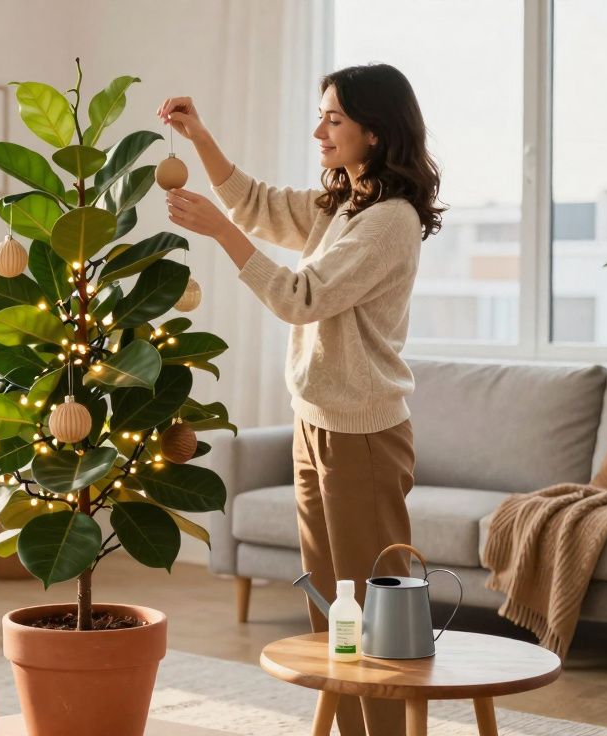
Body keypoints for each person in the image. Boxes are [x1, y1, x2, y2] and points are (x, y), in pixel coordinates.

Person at [158, 63, 444, 736]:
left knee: (378, 617)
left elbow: (300, 299)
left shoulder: (389, 221)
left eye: (335, 119)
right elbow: (255, 203)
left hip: (363, 437)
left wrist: (221, 237)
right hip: (316, 426)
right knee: (334, 610)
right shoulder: (345, 204)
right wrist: (200, 139)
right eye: (322, 116)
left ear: (376, 131)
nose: (320, 131)